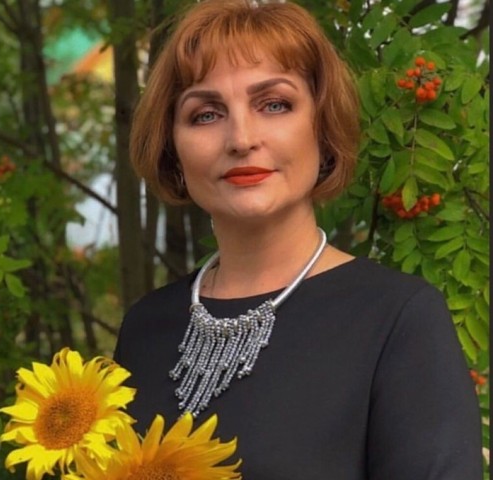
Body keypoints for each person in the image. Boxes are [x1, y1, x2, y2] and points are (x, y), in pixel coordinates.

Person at [113, 1, 483, 478]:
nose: (241, 138)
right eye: (206, 114)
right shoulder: (145, 327)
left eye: (274, 105)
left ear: (322, 128)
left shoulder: (399, 320)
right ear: (173, 148)